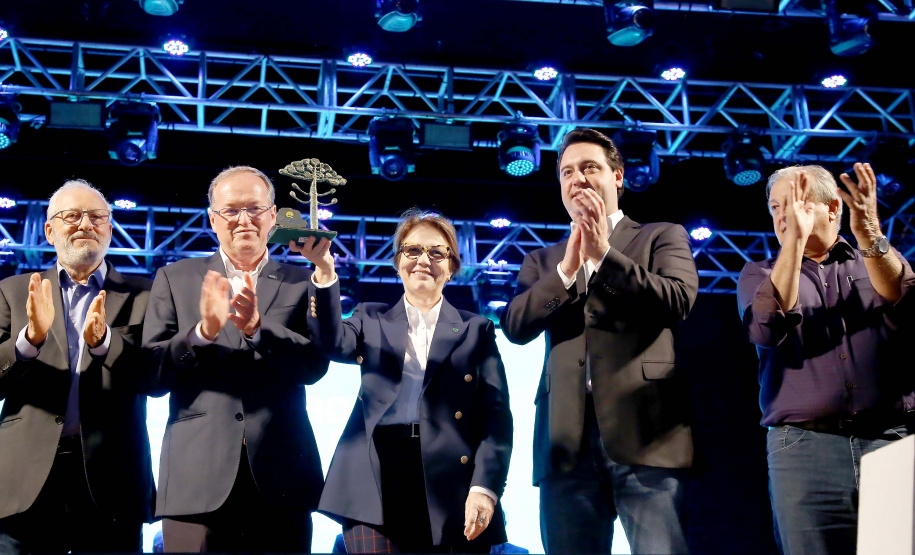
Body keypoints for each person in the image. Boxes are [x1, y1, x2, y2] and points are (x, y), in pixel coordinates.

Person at [501, 128, 699, 554]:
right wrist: (567, 270)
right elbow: (515, 326)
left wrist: (605, 255)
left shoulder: (660, 236)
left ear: (618, 176)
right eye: (567, 172)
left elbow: (677, 300)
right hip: (565, 443)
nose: (578, 178)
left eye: (589, 167)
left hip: (647, 434)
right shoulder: (543, 260)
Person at [296, 210, 513, 553]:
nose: (423, 260)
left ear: (452, 267)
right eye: (412, 250)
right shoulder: (370, 317)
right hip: (374, 477)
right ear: (398, 262)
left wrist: (484, 489)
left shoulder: (476, 330)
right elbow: (332, 342)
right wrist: (324, 271)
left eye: (437, 252)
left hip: (450, 481)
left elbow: (496, 420)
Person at [142, 166, 329, 553]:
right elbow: (151, 376)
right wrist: (202, 334)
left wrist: (259, 328)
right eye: (231, 210)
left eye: (254, 209)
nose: (244, 220)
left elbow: (314, 367)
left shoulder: (302, 282)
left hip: (283, 477)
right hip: (195, 479)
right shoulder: (175, 278)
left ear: (272, 216)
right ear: (213, 219)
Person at [737, 163, 915, 555]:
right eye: (775, 207)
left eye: (794, 203)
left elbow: (906, 301)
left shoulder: (873, 259)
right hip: (804, 449)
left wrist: (869, 233)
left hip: (890, 439)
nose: (783, 215)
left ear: (833, 208)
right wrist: (794, 244)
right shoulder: (759, 273)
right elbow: (765, 329)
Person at [0, 180, 156, 553]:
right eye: (72, 215)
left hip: (113, 478)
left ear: (110, 230)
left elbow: (155, 377)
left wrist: (105, 343)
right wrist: (30, 340)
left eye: (97, 216)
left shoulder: (146, 294)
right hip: (23, 479)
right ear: (49, 230)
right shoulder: (13, 291)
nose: (86, 224)